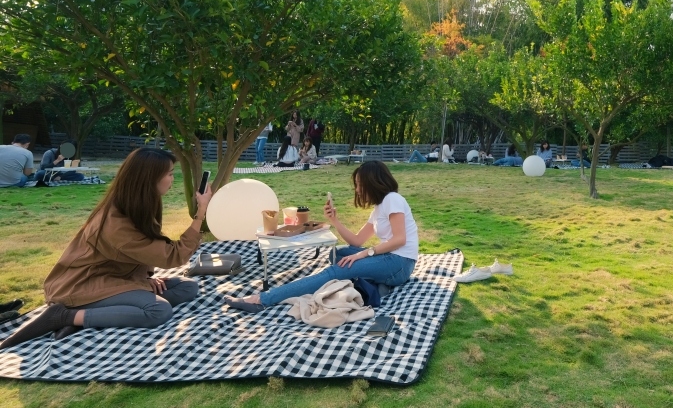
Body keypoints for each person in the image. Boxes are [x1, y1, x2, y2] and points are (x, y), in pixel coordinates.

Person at [0, 148, 212, 348]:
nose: (172, 180)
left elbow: (142, 251)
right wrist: (200, 212)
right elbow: (173, 256)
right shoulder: (116, 223)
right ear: (149, 179)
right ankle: (64, 316)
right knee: (158, 309)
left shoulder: (140, 204)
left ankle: (85, 317)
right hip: (81, 285)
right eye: (169, 174)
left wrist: (144, 280)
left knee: (187, 287)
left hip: (115, 279)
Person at [225, 161, 418, 313]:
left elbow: (400, 240)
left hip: (400, 263)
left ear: (372, 183)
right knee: (339, 254)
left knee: (337, 270)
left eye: (359, 185)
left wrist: (363, 255)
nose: (357, 190)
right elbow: (357, 241)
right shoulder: (379, 208)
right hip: (391, 260)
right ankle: (375, 283)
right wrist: (335, 220)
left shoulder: (393, 199)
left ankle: (261, 300)